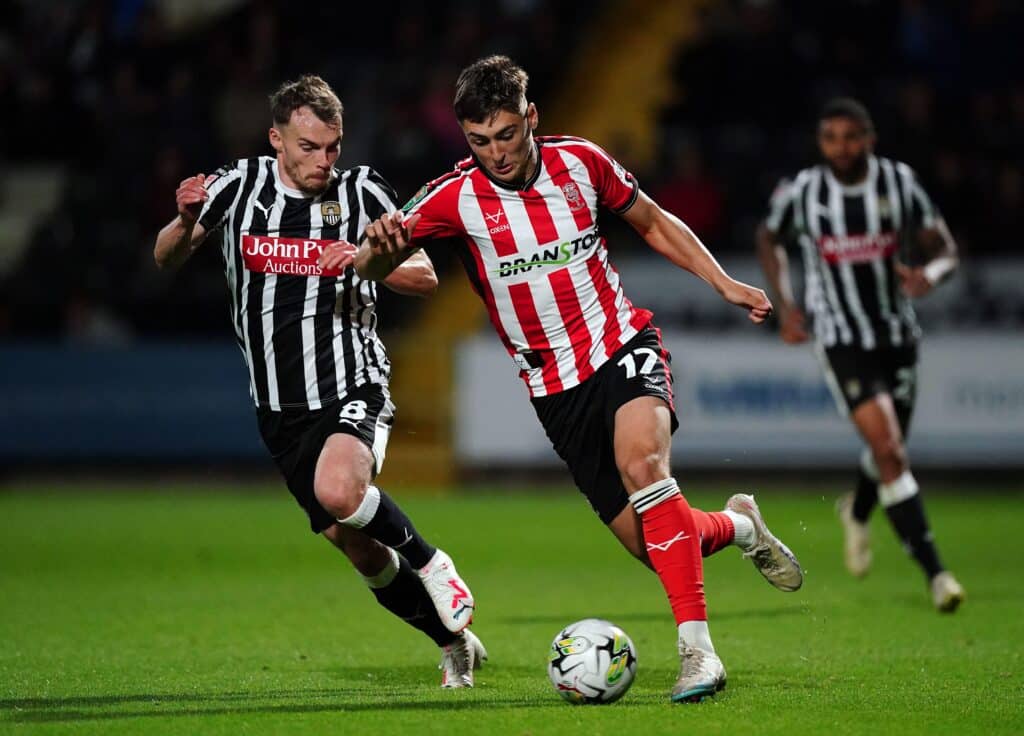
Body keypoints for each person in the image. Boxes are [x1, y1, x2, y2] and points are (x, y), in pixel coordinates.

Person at [321, 55, 803, 703]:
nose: (495, 153)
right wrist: (375, 251)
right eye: (479, 140)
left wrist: (724, 283)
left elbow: (654, 222)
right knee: (650, 542)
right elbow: (374, 268)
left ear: (531, 118)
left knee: (645, 467)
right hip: (556, 392)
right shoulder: (451, 198)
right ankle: (741, 525)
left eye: (507, 135)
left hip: (623, 345)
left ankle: (699, 654)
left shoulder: (582, 162)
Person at [153, 74, 485, 687]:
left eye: (332, 146)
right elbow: (166, 256)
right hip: (279, 411)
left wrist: (365, 260)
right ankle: (452, 640)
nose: (323, 161)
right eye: (308, 147)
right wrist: (182, 219)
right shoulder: (239, 187)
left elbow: (425, 276)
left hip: (352, 386)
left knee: (340, 491)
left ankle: (433, 561)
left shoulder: (361, 192)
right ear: (276, 138)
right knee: (358, 549)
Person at [755, 97, 965, 613]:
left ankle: (858, 511)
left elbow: (945, 250)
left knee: (888, 453)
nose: (841, 148)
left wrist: (928, 275)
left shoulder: (899, 183)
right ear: (821, 143)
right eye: (831, 138)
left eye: (851, 137)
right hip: (841, 337)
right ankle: (937, 575)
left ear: (869, 138)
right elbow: (769, 236)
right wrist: (785, 304)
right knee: (891, 451)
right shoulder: (805, 191)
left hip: (897, 334)